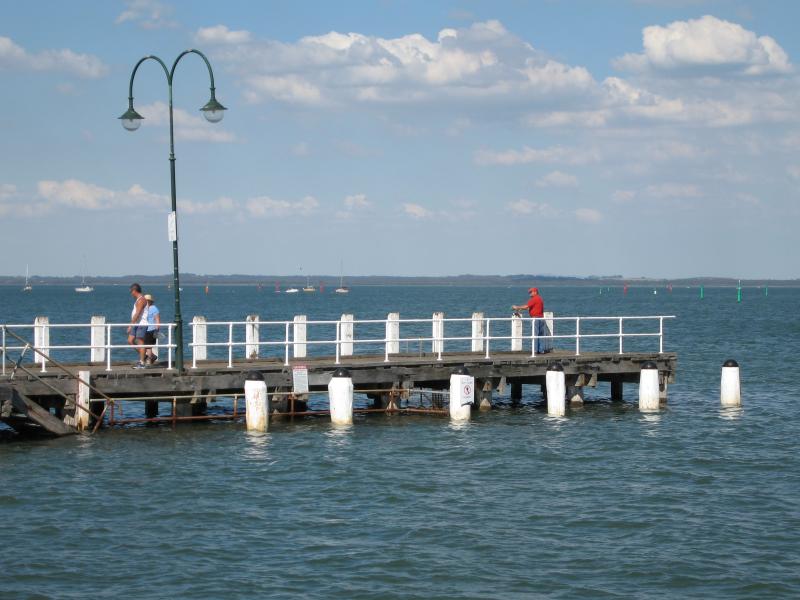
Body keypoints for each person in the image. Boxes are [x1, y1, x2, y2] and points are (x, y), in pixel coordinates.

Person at [512, 287, 549, 354]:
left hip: (535, 319)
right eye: (529, 292)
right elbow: (531, 307)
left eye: (531, 292)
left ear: (535, 292)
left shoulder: (534, 299)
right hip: (541, 318)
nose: (529, 293)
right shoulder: (540, 299)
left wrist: (517, 307)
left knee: (535, 334)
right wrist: (521, 309)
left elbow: (526, 306)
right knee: (541, 335)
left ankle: (535, 350)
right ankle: (541, 350)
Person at [127, 283, 148, 368]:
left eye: (131, 292)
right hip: (137, 324)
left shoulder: (141, 300)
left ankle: (142, 363)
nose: (131, 294)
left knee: (140, 342)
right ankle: (144, 355)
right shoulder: (138, 300)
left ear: (134, 291)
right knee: (130, 340)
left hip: (141, 324)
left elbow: (137, 313)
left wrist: (130, 325)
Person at [143, 294, 161, 366]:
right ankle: (151, 357)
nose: (146, 302)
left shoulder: (154, 308)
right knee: (145, 345)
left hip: (151, 329)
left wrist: (157, 329)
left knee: (148, 346)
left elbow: (157, 319)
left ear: (150, 301)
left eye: (147, 301)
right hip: (144, 329)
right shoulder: (144, 308)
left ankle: (149, 360)